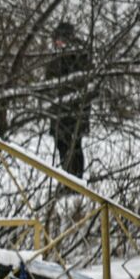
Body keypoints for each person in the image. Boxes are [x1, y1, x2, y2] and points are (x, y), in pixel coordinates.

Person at [44, 21, 92, 178]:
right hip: (61, 110)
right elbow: (49, 82)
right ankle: (68, 180)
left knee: (73, 146)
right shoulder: (58, 56)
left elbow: (82, 84)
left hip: (73, 110)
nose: (56, 42)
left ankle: (74, 181)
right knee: (63, 145)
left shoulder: (78, 56)